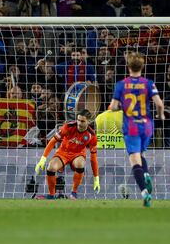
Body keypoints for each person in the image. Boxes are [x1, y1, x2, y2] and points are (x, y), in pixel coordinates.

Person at [109, 52, 165, 207]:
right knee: (140, 154)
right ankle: (146, 174)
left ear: (128, 67)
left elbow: (113, 107)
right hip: (147, 125)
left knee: (134, 160)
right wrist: (161, 116)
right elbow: (159, 104)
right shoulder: (149, 83)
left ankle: (145, 194)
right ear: (142, 66)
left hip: (131, 126)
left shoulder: (121, 84)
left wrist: (119, 105)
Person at [35, 109, 100, 200]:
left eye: (82, 121)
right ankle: (51, 195)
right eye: (78, 120)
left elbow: (93, 158)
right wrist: (43, 158)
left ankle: (74, 193)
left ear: (89, 121)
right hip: (63, 153)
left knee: (80, 164)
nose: (79, 123)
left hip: (78, 155)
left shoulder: (92, 136)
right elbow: (53, 141)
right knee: (51, 167)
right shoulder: (68, 127)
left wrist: (96, 177)